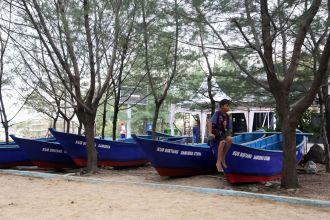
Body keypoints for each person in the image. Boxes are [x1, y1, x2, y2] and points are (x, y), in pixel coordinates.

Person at [207, 99, 232, 172]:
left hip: (223, 134)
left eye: (229, 106)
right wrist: (210, 133)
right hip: (216, 133)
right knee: (222, 142)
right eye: (227, 106)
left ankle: (223, 158)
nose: (228, 107)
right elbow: (209, 123)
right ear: (221, 106)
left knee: (230, 139)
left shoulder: (227, 116)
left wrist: (229, 135)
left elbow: (229, 128)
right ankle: (218, 162)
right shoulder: (217, 114)